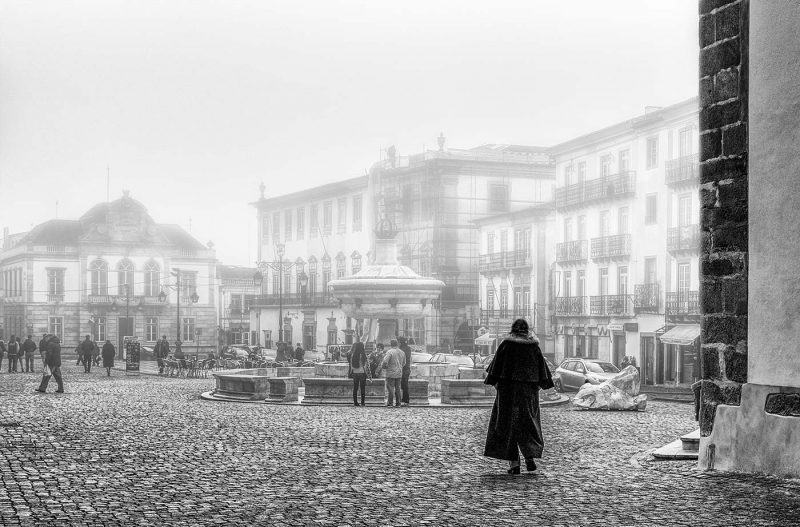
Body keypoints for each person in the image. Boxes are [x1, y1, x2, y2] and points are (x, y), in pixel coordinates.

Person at [483, 318, 554, 475]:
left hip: (507, 393)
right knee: (527, 424)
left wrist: (497, 383)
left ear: (512, 329)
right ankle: (529, 458)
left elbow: (494, 372)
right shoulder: (534, 348)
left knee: (507, 426)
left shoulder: (506, 345)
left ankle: (514, 463)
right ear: (527, 330)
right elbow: (544, 376)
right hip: (528, 394)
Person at [379, 339, 406, 408]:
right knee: (398, 388)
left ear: (391, 344)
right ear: (397, 344)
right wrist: (399, 367)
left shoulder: (390, 352)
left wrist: (384, 367)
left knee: (390, 388)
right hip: (399, 373)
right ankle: (398, 403)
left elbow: (385, 361)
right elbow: (404, 363)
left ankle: (390, 403)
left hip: (390, 373)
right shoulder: (402, 352)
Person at [348, 341, 370, 406]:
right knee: (362, 388)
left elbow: (351, 364)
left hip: (355, 372)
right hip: (362, 372)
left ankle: (355, 402)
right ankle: (362, 402)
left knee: (355, 388)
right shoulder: (363, 354)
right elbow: (366, 365)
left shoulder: (353, 355)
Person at [398, 336, 412, 407]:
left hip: (403, 369)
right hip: (407, 368)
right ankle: (405, 399)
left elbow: (402, 360)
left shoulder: (401, 349)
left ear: (400, 342)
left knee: (403, 385)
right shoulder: (408, 348)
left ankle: (405, 399)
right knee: (404, 385)